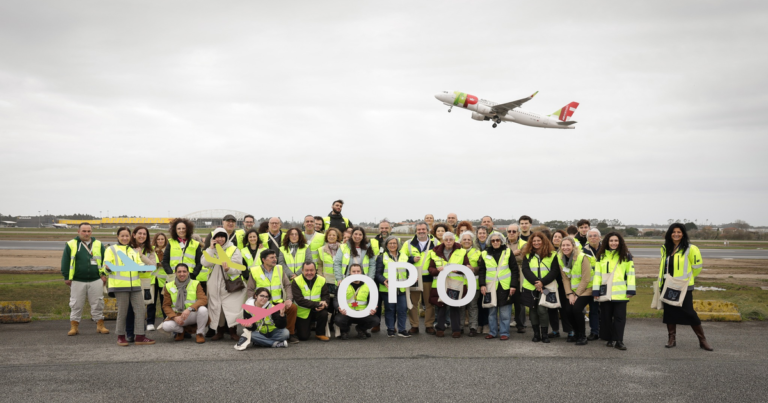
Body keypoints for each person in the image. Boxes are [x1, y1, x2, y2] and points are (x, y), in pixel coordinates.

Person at [658, 223, 712, 351]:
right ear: (669, 234)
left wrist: (688, 279)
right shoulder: (665, 248)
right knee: (669, 313)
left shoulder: (691, 248)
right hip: (668, 285)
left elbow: (697, 268)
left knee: (689, 313)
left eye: (679, 232)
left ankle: (702, 340)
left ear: (683, 234)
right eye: (673, 232)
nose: (676, 234)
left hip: (684, 286)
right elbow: (663, 267)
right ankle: (672, 339)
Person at [104, 227, 155, 346]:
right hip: (120, 286)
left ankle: (140, 336)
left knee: (141, 310)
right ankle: (121, 336)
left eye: (127, 236)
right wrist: (108, 268)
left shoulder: (133, 251)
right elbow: (106, 266)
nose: (125, 238)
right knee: (123, 312)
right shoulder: (111, 249)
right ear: (117, 237)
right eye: (122, 236)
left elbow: (139, 264)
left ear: (130, 237)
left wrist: (144, 268)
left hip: (135, 286)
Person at [61, 223, 110, 336]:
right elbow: (65, 261)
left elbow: (105, 261)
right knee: (76, 304)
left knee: (98, 303)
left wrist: (103, 275)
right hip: (77, 280)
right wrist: (66, 276)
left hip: (96, 279)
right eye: (84, 231)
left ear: (91, 232)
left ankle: (100, 325)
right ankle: (74, 326)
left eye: (89, 231)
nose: (86, 233)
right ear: (78, 231)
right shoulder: (71, 244)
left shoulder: (98, 244)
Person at [201, 228, 247, 342]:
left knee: (232, 307)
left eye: (222, 236)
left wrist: (228, 269)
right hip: (214, 283)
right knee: (217, 308)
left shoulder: (233, 249)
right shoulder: (210, 249)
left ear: (226, 237)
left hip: (230, 283)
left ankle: (233, 331)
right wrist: (211, 249)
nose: (220, 239)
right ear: (213, 238)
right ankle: (220, 331)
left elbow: (238, 268)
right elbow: (204, 263)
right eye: (217, 236)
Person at [592, 232, 635, 351]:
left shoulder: (626, 256)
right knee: (606, 317)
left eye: (616, 241)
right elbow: (597, 275)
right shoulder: (601, 256)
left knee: (620, 318)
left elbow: (630, 274)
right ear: (607, 242)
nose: (614, 243)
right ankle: (610, 339)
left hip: (621, 293)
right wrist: (595, 291)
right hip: (605, 293)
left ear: (620, 242)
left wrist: (631, 290)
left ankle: (619, 340)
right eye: (611, 241)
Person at [246, 249, 299, 344]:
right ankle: (268, 338)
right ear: (263, 260)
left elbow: (287, 285)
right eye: (272, 258)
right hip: (262, 304)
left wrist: (289, 299)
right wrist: (254, 304)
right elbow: (250, 289)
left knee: (292, 308)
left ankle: (290, 334)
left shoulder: (279, 268)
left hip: (277, 302)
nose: (275, 259)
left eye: (275, 257)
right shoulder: (255, 271)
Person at [520, 232, 561, 344]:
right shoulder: (527, 255)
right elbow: (525, 270)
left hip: (546, 287)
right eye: (534, 241)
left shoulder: (552, 254)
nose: (536, 243)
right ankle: (536, 334)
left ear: (544, 241)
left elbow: (554, 271)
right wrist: (536, 283)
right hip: (531, 287)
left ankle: (544, 334)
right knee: (533, 310)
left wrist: (542, 283)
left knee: (542, 310)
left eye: (539, 240)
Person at [428, 232, 470, 338]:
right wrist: (437, 270)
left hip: (455, 284)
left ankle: (456, 330)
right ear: (443, 240)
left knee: (454, 306)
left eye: (450, 239)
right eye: (446, 240)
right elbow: (430, 269)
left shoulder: (462, 251)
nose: (448, 242)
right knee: (441, 306)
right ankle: (440, 329)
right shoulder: (434, 252)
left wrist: (458, 270)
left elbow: (467, 267)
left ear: (454, 240)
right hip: (440, 283)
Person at [478, 233, 519, 340]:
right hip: (490, 287)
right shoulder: (484, 253)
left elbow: (514, 270)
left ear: (501, 241)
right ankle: (492, 332)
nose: (495, 242)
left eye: (497, 240)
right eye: (493, 241)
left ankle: (504, 333)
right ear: (490, 242)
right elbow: (482, 271)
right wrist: (482, 284)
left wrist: (513, 285)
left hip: (505, 286)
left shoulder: (508, 252)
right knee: (491, 313)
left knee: (505, 313)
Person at [400, 221, 438, 335]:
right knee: (412, 303)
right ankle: (414, 325)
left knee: (429, 303)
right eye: (419, 230)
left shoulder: (435, 242)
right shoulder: (408, 243)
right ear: (416, 231)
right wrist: (411, 260)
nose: (421, 231)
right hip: (414, 278)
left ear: (427, 230)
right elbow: (401, 259)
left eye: (423, 229)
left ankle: (429, 325)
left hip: (429, 278)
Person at [158, 263, 208, 343]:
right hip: (178, 316)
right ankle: (181, 331)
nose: (182, 274)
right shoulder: (168, 286)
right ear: (175, 273)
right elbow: (166, 306)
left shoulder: (195, 283)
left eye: (184, 271)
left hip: (192, 314)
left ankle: (200, 333)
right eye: (179, 272)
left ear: (188, 272)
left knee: (203, 310)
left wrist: (189, 309)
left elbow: (203, 299)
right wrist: (174, 317)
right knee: (166, 326)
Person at [558, 237, 593, 345]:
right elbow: (565, 278)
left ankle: (582, 336)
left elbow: (586, 279)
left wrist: (577, 294)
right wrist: (569, 294)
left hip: (587, 289)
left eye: (568, 245)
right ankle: (576, 333)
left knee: (577, 309)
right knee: (568, 310)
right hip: (573, 291)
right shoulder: (561, 258)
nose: (565, 248)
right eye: (563, 245)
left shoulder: (582, 257)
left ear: (573, 246)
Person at [375, 236, 410, 338]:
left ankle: (402, 330)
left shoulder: (404, 256)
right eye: (390, 243)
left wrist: (411, 276)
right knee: (390, 309)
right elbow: (378, 273)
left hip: (401, 288)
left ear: (398, 245)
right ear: (386, 245)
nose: (392, 245)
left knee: (402, 309)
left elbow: (408, 270)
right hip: (387, 288)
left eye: (394, 243)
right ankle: (390, 329)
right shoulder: (382, 257)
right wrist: (383, 281)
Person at [126, 226, 157, 338]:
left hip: (144, 283)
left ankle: (140, 333)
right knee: (129, 309)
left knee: (141, 308)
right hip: (130, 281)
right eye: (140, 233)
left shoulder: (150, 249)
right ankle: (129, 333)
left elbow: (153, 266)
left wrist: (141, 255)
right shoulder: (127, 248)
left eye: (144, 234)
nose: (142, 236)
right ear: (134, 235)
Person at [335, 264, 378, 340]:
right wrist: (339, 308)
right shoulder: (343, 284)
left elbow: (374, 300)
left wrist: (374, 309)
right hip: (346, 313)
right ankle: (345, 330)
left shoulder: (368, 285)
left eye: (358, 271)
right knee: (338, 319)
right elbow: (336, 299)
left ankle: (361, 329)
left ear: (361, 272)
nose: (356, 273)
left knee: (375, 320)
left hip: (363, 313)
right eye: (353, 271)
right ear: (350, 272)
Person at [292, 262, 331, 341]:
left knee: (324, 313)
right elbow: (299, 300)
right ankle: (303, 328)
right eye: (306, 270)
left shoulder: (322, 279)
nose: (309, 273)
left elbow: (326, 295)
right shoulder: (296, 281)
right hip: (303, 311)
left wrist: (324, 303)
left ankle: (320, 333)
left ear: (315, 270)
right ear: (302, 270)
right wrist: (317, 304)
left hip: (317, 310)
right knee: (303, 337)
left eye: (311, 270)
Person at [162, 218, 203, 292]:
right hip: (174, 277)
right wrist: (171, 274)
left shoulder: (195, 244)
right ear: (175, 230)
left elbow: (199, 262)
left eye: (183, 228)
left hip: (190, 277)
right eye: (179, 228)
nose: (181, 230)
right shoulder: (170, 243)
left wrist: (194, 274)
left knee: (189, 299)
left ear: (188, 229)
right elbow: (165, 261)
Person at [547, 229, 573, 340]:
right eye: (554, 237)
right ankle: (555, 330)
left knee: (565, 309)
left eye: (559, 237)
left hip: (563, 284)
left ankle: (570, 331)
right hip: (551, 284)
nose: (556, 238)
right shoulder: (548, 251)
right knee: (552, 308)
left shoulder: (567, 252)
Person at [458, 231, 482, 336]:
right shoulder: (456, 252)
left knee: (473, 306)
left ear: (472, 241)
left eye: (469, 239)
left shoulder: (478, 252)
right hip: (459, 284)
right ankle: (460, 327)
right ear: (461, 241)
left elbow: (482, 268)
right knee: (461, 306)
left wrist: (474, 269)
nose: (467, 241)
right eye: (464, 239)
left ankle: (473, 328)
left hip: (473, 284)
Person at [506, 223, 527, 333]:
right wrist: (513, 254)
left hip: (519, 276)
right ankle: (505, 323)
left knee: (519, 302)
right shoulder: (501, 242)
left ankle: (520, 324)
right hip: (505, 277)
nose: (512, 233)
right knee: (506, 301)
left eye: (514, 231)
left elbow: (525, 258)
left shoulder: (524, 244)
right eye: (509, 231)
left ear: (518, 233)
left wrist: (508, 256)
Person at [582, 228, 602, 341]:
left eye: (595, 235)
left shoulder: (606, 250)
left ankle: (604, 330)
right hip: (589, 285)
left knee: (604, 310)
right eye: (590, 236)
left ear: (599, 237)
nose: (593, 238)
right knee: (593, 310)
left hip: (603, 284)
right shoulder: (582, 251)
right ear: (587, 238)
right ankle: (594, 332)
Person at [151, 232, 169, 323]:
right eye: (158, 239)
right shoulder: (151, 250)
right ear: (155, 240)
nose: (160, 241)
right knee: (151, 302)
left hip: (164, 280)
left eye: (162, 239)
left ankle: (166, 320)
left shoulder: (168, 250)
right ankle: (150, 322)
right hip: (153, 279)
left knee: (164, 302)